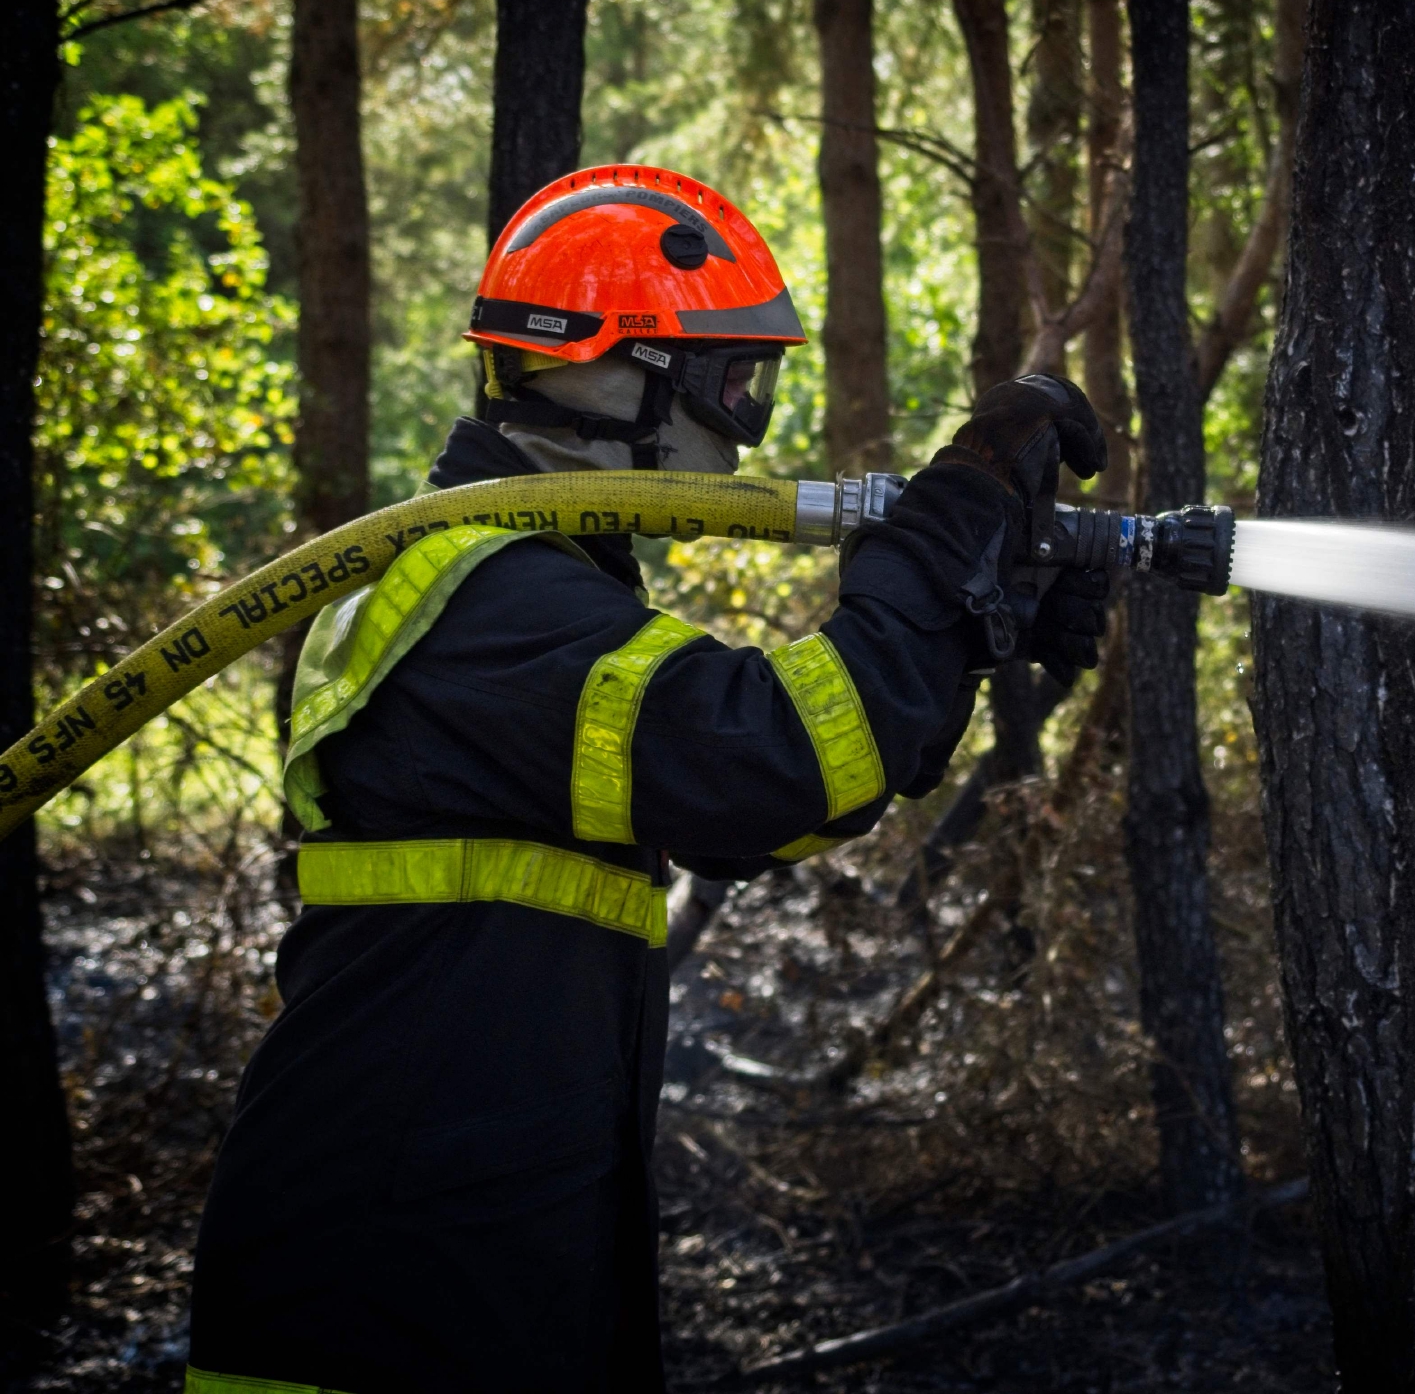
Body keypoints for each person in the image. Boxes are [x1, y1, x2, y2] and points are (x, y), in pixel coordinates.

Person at [184, 166, 1110, 1393]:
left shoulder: (529, 589)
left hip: (469, 1245)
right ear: (604, 371)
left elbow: (763, 813)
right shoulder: (478, 597)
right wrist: (945, 537)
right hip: (382, 1279)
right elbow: (768, 763)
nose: (743, 428)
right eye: (735, 379)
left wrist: (965, 626)